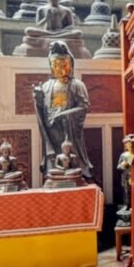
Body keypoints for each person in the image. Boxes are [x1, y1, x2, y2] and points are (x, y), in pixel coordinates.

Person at [33, 41, 92, 179]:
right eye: (56, 65)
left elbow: (84, 107)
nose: (60, 68)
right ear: (51, 66)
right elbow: (42, 109)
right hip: (51, 129)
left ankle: (75, 175)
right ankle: (54, 176)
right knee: (53, 158)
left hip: (69, 129)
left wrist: (64, 115)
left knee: (72, 156)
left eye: (63, 64)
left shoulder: (77, 85)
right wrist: (38, 99)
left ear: (70, 65)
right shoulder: (47, 85)